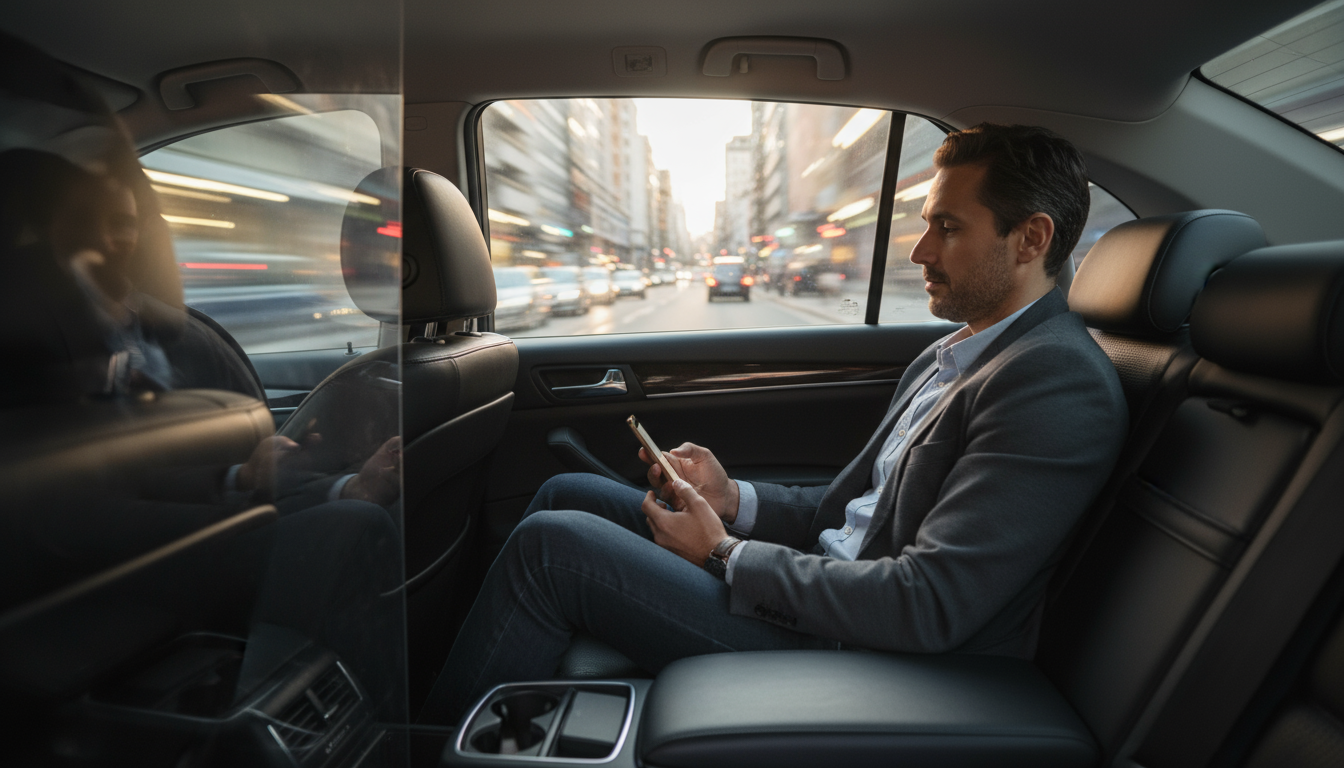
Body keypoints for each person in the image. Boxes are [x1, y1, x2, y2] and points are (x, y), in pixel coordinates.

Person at [420, 123, 1129, 725]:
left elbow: (931, 604)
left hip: (865, 651)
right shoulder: (954, 352)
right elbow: (844, 514)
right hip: (832, 593)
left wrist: (724, 554)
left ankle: (426, 744)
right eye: (925, 226)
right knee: (566, 493)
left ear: (1032, 238)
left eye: (948, 228)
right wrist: (733, 502)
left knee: (551, 547)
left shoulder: (1053, 382)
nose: (920, 252)